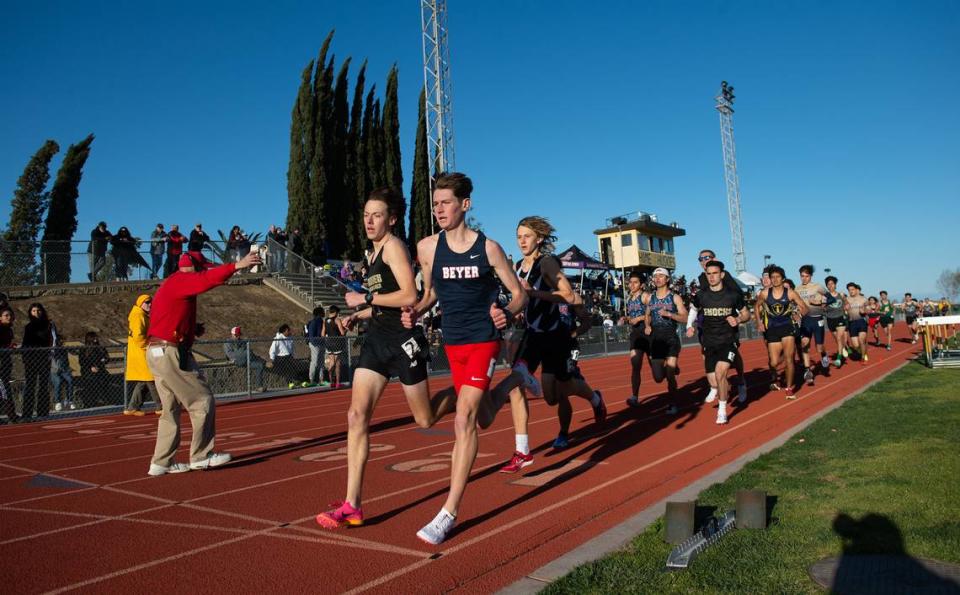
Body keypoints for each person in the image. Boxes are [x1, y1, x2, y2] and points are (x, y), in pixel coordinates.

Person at [317, 187, 458, 530]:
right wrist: (361, 314)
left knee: (424, 419)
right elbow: (384, 300)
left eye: (377, 214)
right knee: (356, 415)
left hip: (404, 341)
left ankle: (463, 395)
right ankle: (353, 503)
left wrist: (365, 296)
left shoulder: (394, 247)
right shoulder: (371, 253)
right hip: (377, 340)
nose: (369, 220)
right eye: (366, 214)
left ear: (391, 219)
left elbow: (410, 295)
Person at [399, 172, 527, 545]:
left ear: (465, 205)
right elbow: (429, 293)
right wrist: (416, 311)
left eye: (446, 203)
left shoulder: (488, 249)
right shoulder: (426, 248)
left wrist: (507, 310)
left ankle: (448, 512)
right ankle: (517, 379)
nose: (438, 209)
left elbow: (519, 295)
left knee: (464, 418)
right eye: (435, 203)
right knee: (484, 417)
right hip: (452, 344)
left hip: (484, 340)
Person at [145, 248, 261, 476]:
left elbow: (167, 314)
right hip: (170, 351)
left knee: (170, 409)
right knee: (202, 400)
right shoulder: (182, 280)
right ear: (195, 268)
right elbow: (207, 279)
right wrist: (237, 265)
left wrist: (190, 329)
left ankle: (161, 462)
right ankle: (201, 456)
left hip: (157, 349)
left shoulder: (171, 283)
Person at [686, 260, 749, 425]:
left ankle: (722, 411)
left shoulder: (732, 295)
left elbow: (746, 314)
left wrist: (737, 318)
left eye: (715, 273)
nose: (712, 277)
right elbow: (693, 309)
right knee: (714, 381)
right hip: (709, 341)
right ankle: (725, 390)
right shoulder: (701, 295)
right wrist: (689, 325)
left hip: (728, 340)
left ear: (721, 275)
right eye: (709, 274)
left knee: (721, 373)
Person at [755, 266, 808, 398]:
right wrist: (759, 322)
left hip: (787, 327)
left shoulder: (790, 293)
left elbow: (804, 308)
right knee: (774, 362)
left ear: (783, 278)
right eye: (772, 277)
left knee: (789, 359)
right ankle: (779, 370)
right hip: (772, 329)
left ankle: (789, 388)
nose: (775, 279)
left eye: (778, 277)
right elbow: (757, 306)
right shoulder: (765, 293)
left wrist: (799, 315)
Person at [643, 267, 688, 412]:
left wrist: (670, 314)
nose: (657, 279)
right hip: (656, 339)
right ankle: (672, 369)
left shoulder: (674, 297)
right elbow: (647, 315)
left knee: (669, 374)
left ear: (667, 279)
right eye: (655, 276)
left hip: (670, 338)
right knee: (657, 377)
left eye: (661, 276)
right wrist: (647, 325)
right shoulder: (650, 298)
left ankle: (673, 403)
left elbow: (685, 317)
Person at [125, 294, 161, 416]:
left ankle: (132, 407)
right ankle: (161, 406)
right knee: (151, 379)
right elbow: (138, 336)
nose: (150, 304)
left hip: (141, 351)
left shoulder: (141, 315)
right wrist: (147, 346)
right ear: (141, 303)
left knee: (143, 381)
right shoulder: (138, 315)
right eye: (147, 302)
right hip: (141, 352)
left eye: (151, 302)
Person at [795, 265, 831, 386]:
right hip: (805, 320)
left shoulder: (817, 287)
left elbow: (831, 299)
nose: (804, 278)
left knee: (819, 347)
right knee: (804, 344)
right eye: (802, 276)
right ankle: (808, 371)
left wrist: (820, 302)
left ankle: (824, 356)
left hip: (817, 320)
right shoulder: (797, 289)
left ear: (811, 276)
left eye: (807, 276)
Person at [21, 302, 53, 418]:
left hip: (44, 359)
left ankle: (43, 412)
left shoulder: (48, 325)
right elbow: (25, 344)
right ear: (30, 312)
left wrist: (50, 354)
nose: (36, 313)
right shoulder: (28, 327)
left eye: (38, 310)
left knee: (44, 386)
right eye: (34, 311)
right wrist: (25, 358)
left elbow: (51, 340)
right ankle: (27, 413)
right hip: (31, 360)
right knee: (30, 385)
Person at [624, 273, 649, 408]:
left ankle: (669, 365)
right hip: (636, 335)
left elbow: (653, 314)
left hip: (649, 333)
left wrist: (639, 319)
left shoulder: (645, 296)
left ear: (642, 285)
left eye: (635, 282)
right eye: (630, 282)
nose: (632, 285)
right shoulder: (629, 298)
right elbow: (632, 315)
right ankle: (634, 396)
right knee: (635, 365)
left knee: (658, 374)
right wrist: (626, 319)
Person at [78, 331, 110, 407]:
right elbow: (82, 361)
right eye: (94, 337)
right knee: (92, 381)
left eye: (96, 337)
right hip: (88, 371)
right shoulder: (84, 349)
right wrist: (90, 367)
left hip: (100, 369)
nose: (96, 338)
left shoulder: (100, 348)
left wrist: (104, 360)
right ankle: (90, 401)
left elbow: (107, 357)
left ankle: (102, 399)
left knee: (105, 378)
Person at [823, 276, 849, 367]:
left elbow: (847, 303)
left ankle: (838, 358)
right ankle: (843, 347)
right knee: (836, 339)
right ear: (826, 286)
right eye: (828, 284)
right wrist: (824, 307)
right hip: (830, 319)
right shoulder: (825, 296)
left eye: (832, 283)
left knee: (838, 337)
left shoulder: (840, 295)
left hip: (840, 318)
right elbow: (822, 307)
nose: (830, 285)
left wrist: (847, 306)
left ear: (835, 285)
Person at [322, 305, 347, 388]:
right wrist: (346, 328)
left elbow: (322, 334)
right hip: (337, 343)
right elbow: (342, 333)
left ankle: (331, 382)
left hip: (328, 343)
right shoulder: (337, 320)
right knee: (337, 364)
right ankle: (338, 383)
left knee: (331, 362)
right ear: (336, 312)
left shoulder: (325, 320)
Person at [49, 327, 74, 412]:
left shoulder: (63, 349)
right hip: (54, 371)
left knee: (70, 380)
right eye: (61, 341)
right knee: (58, 381)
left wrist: (68, 369)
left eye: (63, 341)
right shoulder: (52, 349)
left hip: (64, 370)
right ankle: (58, 402)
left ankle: (69, 401)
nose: (62, 342)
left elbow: (67, 360)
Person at [845, 283, 869, 363]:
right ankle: (863, 351)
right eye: (849, 290)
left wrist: (864, 311)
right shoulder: (847, 299)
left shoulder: (863, 299)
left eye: (852, 289)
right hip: (852, 322)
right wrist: (845, 309)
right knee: (855, 345)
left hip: (861, 321)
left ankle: (863, 357)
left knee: (861, 340)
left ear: (856, 290)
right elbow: (844, 310)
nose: (851, 291)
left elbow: (868, 309)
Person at [0, 307, 17, 423]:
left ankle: (12, 415)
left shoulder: (9, 330)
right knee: (5, 391)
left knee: (4, 390)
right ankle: (12, 416)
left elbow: (7, 344)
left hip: (5, 364)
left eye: (10, 315)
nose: (9, 317)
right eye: (6, 315)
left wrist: (11, 347)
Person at [306, 307, 327, 386]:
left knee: (321, 362)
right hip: (315, 344)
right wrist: (315, 342)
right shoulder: (314, 322)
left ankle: (321, 379)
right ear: (319, 313)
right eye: (323, 311)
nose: (324, 313)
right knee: (314, 362)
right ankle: (311, 380)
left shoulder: (321, 321)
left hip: (321, 343)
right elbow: (311, 335)